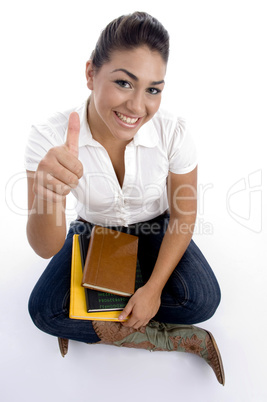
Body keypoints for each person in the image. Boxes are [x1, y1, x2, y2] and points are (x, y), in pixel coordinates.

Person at [25, 12, 224, 385]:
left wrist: (151, 291)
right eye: (123, 82)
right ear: (90, 74)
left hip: (156, 226)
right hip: (94, 231)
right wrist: (47, 195)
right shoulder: (48, 136)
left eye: (153, 89)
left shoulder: (174, 132)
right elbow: (45, 247)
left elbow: (183, 216)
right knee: (43, 312)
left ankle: (97, 312)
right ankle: (169, 338)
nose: (137, 106)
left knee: (204, 300)